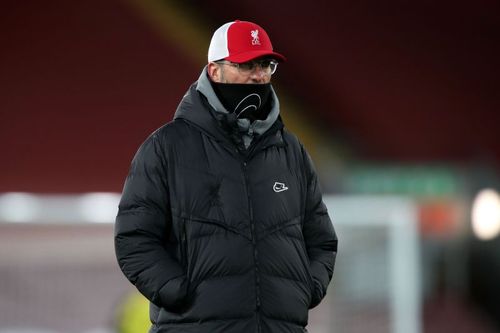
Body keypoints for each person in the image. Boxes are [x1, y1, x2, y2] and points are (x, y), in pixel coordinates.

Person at [114, 20, 338, 333]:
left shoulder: (291, 151)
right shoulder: (168, 147)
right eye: (247, 64)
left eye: (265, 64)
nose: (259, 75)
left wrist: (306, 288)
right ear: (214, 71)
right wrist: (179, 292)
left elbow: (321, 240)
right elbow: (134, 237)